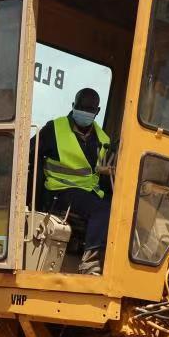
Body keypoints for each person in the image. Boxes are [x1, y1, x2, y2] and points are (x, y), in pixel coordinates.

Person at [33, 87, 113, 274]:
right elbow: (30, 153)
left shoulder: (103, 139)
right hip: (59, 191)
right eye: (81, 107)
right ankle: (91, 264)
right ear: (73, 106)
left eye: (89, 109)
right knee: (101, 209)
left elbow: (98, 170)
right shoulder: (54, 129)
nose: (84, 112)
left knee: (116, 208)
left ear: (97, 112)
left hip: (88, 192)